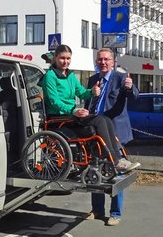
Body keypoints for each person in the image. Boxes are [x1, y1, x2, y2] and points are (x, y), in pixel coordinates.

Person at [37, 44, 139, 175]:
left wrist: (91, 92)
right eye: (62, 58)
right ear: (56, 58)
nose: (65, 61)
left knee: (105, 119)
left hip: (71, 115)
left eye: (68, 58)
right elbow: (53, 101)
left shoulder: (71, 75)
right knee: (100, 121)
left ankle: (118, 159)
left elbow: (81, 92)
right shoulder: (50, 76)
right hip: (59, 116)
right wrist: (73, 110)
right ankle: (115, 161)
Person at [84, 47, 140, 226]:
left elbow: (134, 96)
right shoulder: (93, 80)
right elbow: (88, 103)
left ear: (113, 62)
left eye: (106, 59)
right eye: (100, 59)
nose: (103, 62)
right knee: (96, 170)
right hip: (95, 135)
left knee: (117, 172)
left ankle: (115, 213)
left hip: (115, 134)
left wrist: (131, 88)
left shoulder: (120, 78)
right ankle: (97, 209)